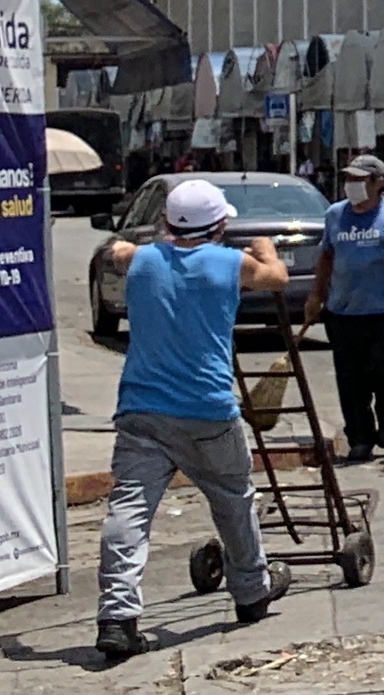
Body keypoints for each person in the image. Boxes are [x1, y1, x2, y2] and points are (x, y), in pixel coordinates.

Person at [93, 178, 298, 665]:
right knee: (232, 497)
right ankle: (251, 590)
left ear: (166, 223)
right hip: (207, 410)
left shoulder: (142, 260)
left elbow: (112, 250)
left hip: (142, 410)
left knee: (129, 510)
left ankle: (117, 616)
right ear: (221, 225)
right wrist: (266, 247)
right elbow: (278, 279)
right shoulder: (230, 262)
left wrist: (142, 243)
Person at [310, 153, 384, 461]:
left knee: (381, 368)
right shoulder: (336, 215)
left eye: (359, 180)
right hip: (343, 310)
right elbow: (327, 256)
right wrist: (315, 296)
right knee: (350, 377)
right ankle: (359, 437)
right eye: (349, 179)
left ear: (379, 183)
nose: (352, 186)